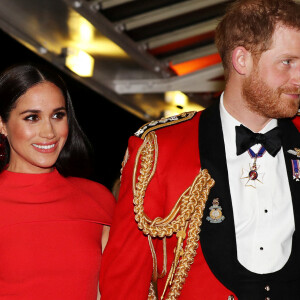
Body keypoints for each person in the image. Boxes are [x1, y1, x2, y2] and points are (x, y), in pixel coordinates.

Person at [100, 0, 300, 299]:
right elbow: (124, 281)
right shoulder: (160, 149)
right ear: (242, 60)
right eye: (288, 62)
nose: (298, 77)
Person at [0, 63, 115, 299]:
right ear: (2, 124)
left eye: (57, 115)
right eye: (32, 117)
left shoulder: (97, 198)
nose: (49, 132)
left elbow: (113, 290)